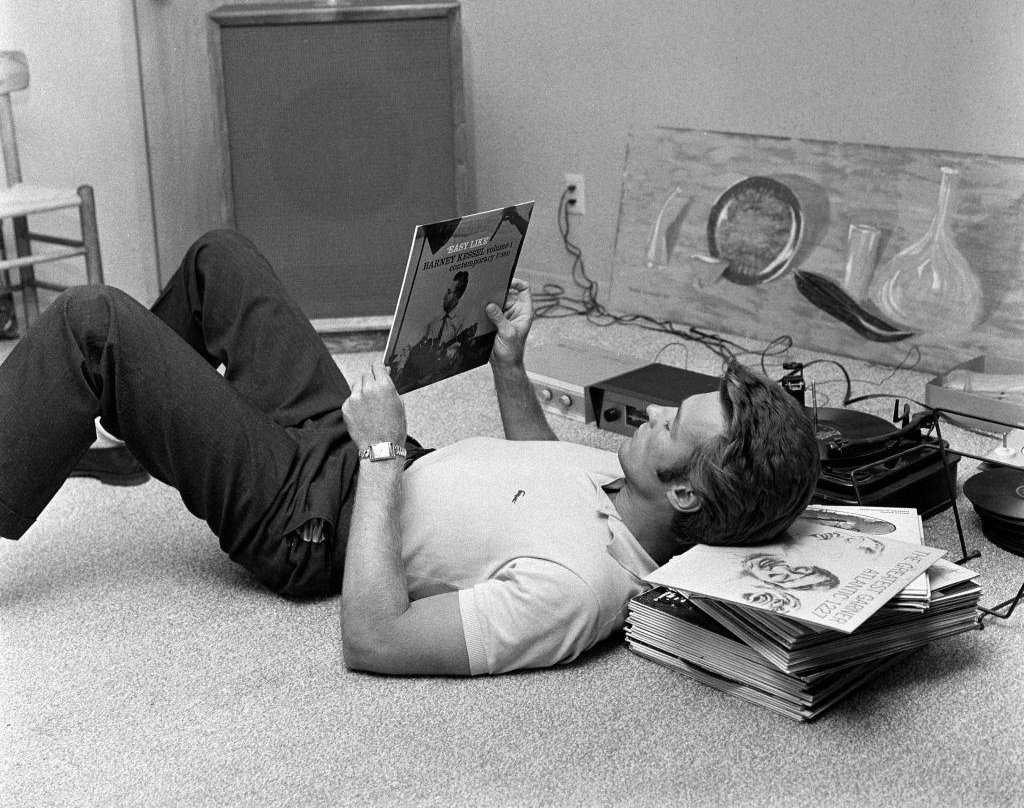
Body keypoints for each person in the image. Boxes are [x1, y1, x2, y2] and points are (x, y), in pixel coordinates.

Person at [0, 229, 820, 676]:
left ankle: (105, 401)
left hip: (313, 520)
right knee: (223, 258)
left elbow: (376, 638)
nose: (654, 416)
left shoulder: (581, 592)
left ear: (686, 497)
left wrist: (385, 452)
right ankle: (127, 417)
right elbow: (538, 469)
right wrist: (507, 365)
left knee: (92, 320)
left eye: (675, 426)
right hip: (355, 450)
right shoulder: (616, 488)